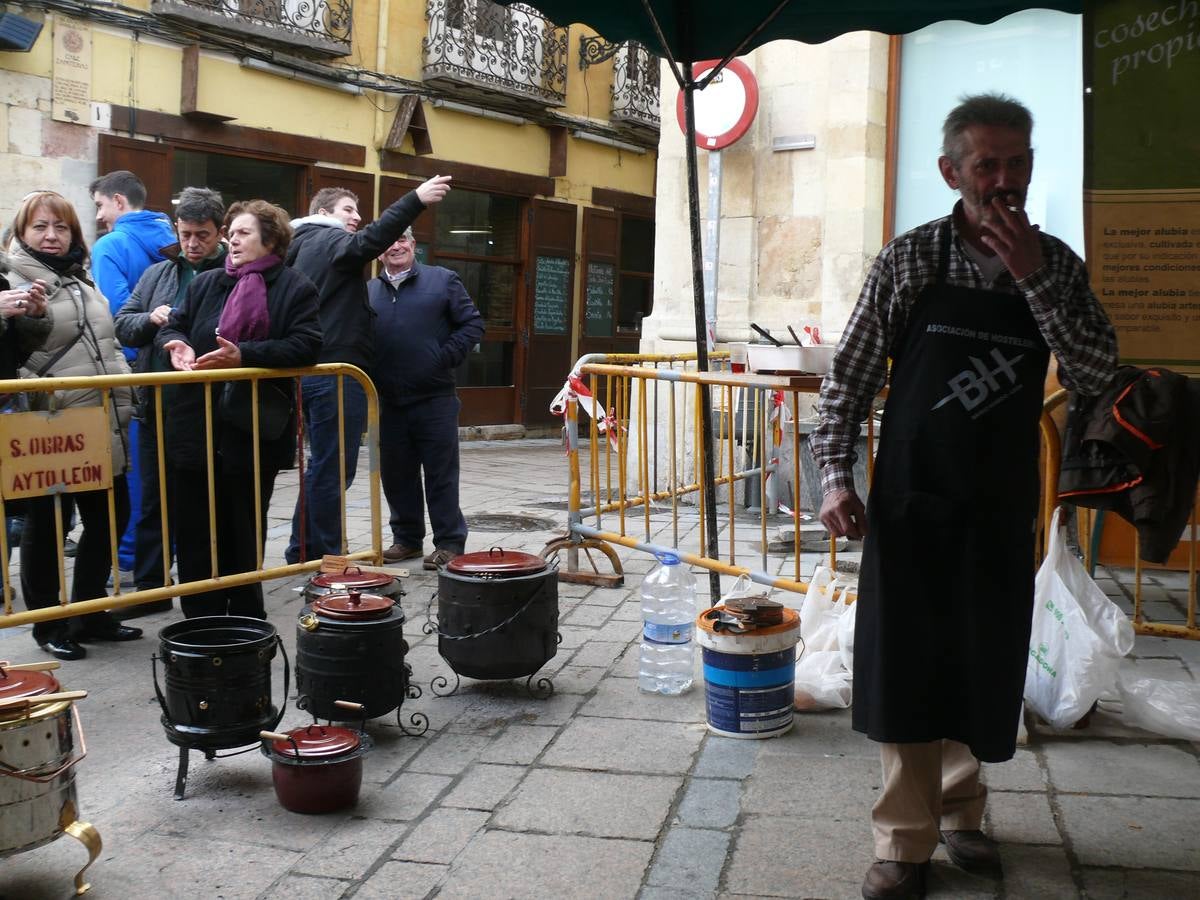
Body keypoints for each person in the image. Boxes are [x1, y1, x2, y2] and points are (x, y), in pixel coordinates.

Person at [811, 94, 1118, 900]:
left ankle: (962, 811)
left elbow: (1095, 373)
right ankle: (902, 840)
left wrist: (1034, 281)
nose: (1005, 180)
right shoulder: (910, 260)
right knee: (906, 662)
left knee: (979, 658)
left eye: (1018, 162)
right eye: (988, 164)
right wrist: (835, 478)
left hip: (996, 498)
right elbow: (848, 379)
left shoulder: (1058, 265)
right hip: (910, 499)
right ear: (953, 171)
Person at [157, 200, 321, 618]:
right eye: (231, 232)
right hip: (193, 425)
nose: (232, 239)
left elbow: (307, 344)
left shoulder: (293, 286)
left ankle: (246, 615)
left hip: (249, 429)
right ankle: (200, 616)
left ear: (270, 240)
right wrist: (177, 343)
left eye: (243, 232)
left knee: (243, 526)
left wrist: (245, 355)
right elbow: (176, 323)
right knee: (194, 526)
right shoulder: (207, 282)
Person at [283, 175, 452, 565]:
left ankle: (302, 550)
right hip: (337, 375)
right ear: (323, 214)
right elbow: (369, 240)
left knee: (321, 464)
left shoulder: (297, 246)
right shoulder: (329, 240)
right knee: (333, 468)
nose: (356, 217)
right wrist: (416, 199)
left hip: (311, 372)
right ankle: (326, 556)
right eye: (348, 210)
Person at [7, 191, 142, 660]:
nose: (51, 236)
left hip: (104, 421)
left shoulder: (82, 280)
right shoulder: (10, 280)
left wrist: (129, 387)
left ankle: (88, 610)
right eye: (40, 227)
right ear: (21, 233)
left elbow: (107, 343)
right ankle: (47, 623)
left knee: (111, 516)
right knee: (48, 524)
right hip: (50, 426)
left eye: (61, 227)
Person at [115, 187, 227, 601]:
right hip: (156, 401)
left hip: (208, 408)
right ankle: (150, 585)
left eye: (202, 235)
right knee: (152, 500)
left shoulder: (235, 273)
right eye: (186, 235)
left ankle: (208, 580)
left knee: (204, 500)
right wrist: (151, 318)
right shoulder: (158, 272)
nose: (193, 244)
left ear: (220, 232)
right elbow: (123, 323)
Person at [368, 229, 484, 569]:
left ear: (414, 246)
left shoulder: (442, 280)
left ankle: (449, 542)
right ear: (378, 253)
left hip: (435, 398)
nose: (395, 246)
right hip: (389, 401)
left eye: (402, 240)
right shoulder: (368, 292)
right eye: (388, 241)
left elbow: (473, 325)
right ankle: (406, 540)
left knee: (440, 474)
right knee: (396, 474)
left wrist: (443, 357)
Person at [91, 170, 176, 585]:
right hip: (178, 367)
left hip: (133, 371)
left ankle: (130, 555)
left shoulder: (110, 245)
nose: (100, 216)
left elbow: (113, 313)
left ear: (120, 202)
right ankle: (165, 551)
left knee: (135, 469)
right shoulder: (173, 239)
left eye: (101, 206)